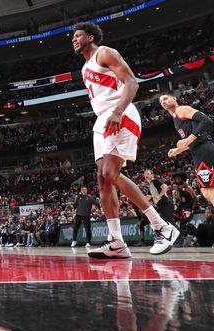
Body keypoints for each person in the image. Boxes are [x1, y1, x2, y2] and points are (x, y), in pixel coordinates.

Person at [72, 22, 178, 258]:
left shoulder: (105, 52)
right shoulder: (84, 68)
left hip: (120, 114)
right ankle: (117, 241)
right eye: (73, 37)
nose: (74, 40)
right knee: (102, 179)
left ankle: (162, 226)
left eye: (78, 36)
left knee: (110, 173)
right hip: (101, 120)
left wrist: (118, 112)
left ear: (90, 37)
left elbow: (131, 82)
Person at [160, 93, 214, 206]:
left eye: (165, 98)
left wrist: (189, 139)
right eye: (161, 101)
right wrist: (178, 150)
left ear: (174, 99)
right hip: (202, 149)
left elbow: (207, 121)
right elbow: (190, 141)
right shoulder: (176, 119)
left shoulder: (181, 110)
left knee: (208, 190)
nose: (163, 101)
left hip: (203, 150)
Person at [171, 171, 198, 238]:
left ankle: (184, 236)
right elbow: (180, 200)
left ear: (182, 179)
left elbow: (196, 199)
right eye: (176, 178)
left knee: (183, 221)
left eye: (179, 178)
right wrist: (176, 203)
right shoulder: (178, 188)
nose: (177, 180)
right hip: (181, 207)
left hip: (188, 207)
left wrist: (193, 209)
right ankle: (179, 234)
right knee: (171, 219)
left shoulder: (188, 188)